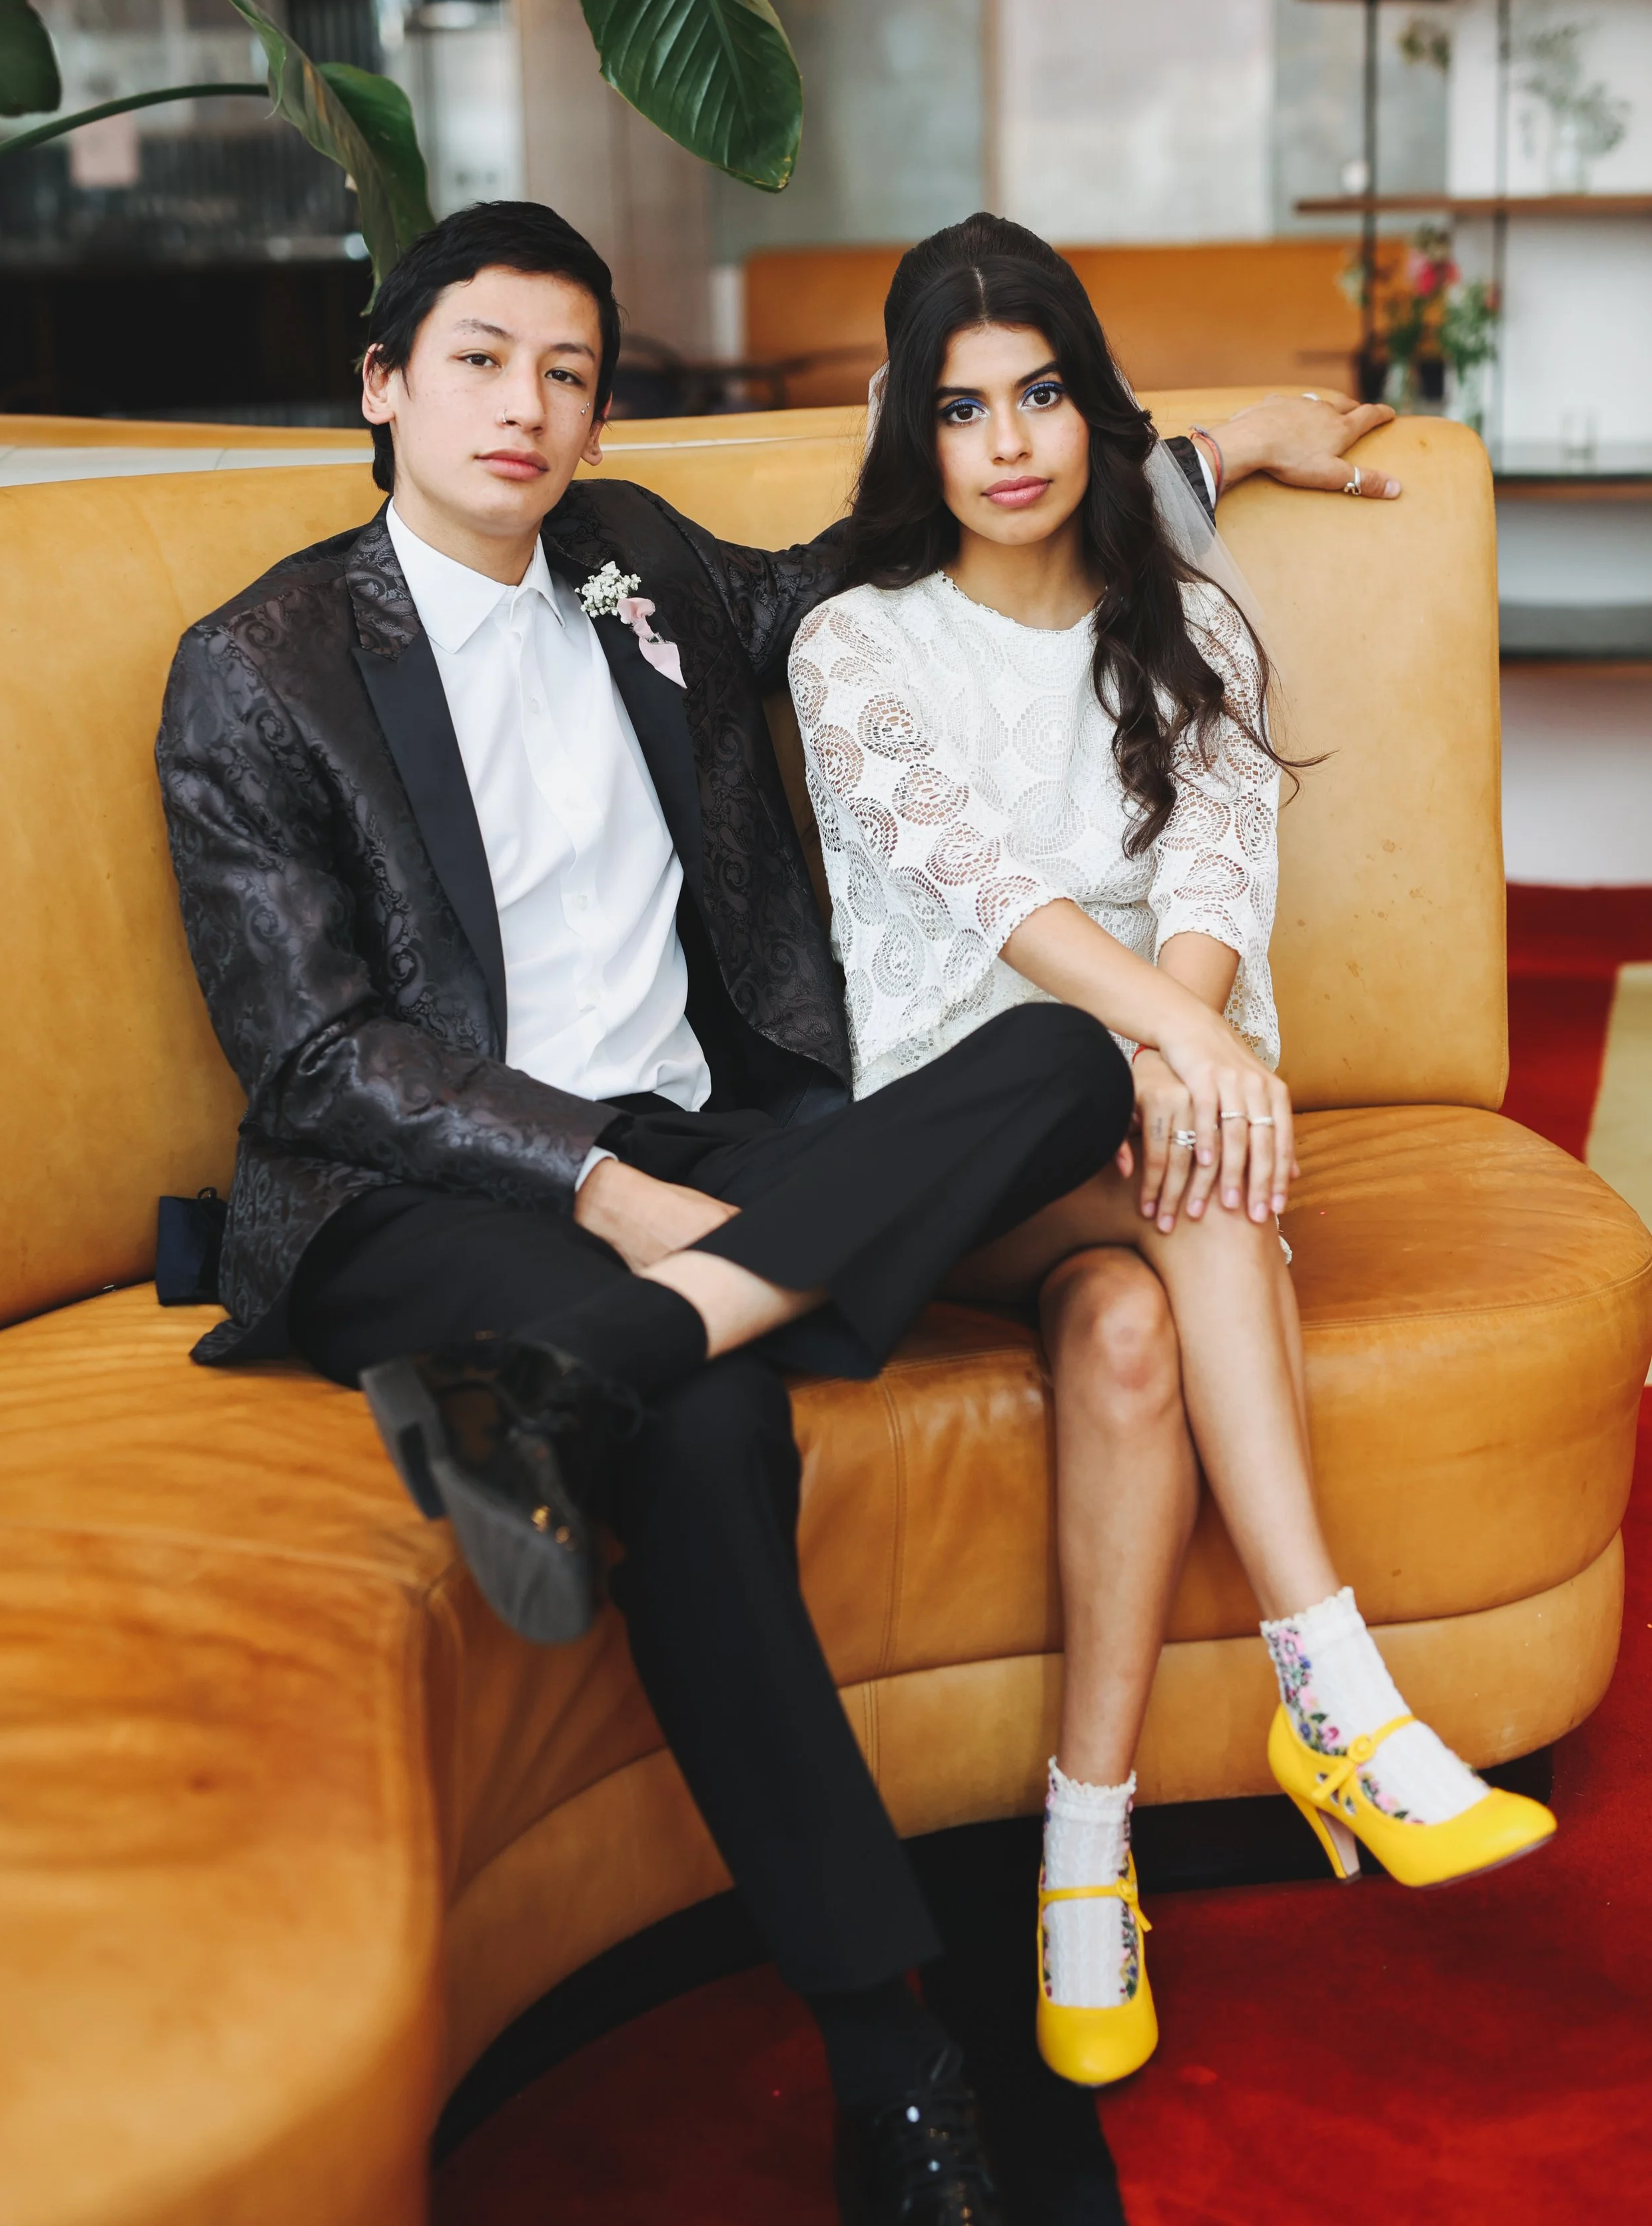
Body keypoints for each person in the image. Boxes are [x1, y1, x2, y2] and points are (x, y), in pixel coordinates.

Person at [156, 197, 1418, 2224]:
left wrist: (1187, 453)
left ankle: (576, 1371)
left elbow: (905, 542)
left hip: (712, 1139)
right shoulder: (260, 669)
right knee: (711, 1420)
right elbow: (312, 1058)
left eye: (568, 370)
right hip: (428, 1186)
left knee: (1081, 1042)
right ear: (381, 381)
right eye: (478, 358)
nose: (528, 406)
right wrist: (603, 1186)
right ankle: (889, 2051)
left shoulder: (636, 562)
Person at [792, 213, 1557, 2097]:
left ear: (1089, 403)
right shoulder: (848, 645)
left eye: (1042, 391)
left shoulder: (1187, 614)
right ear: (915, 432)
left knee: (1134, 1329)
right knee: (1168, 1138)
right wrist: (1188, 1045)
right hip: (951, 1138)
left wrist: (1186, 1032)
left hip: (1151, 1129)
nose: (1010, 442)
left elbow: (1214, 862)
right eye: (963, 407)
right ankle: (1341, 1694)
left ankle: (1082, 1856)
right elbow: (992, 902)